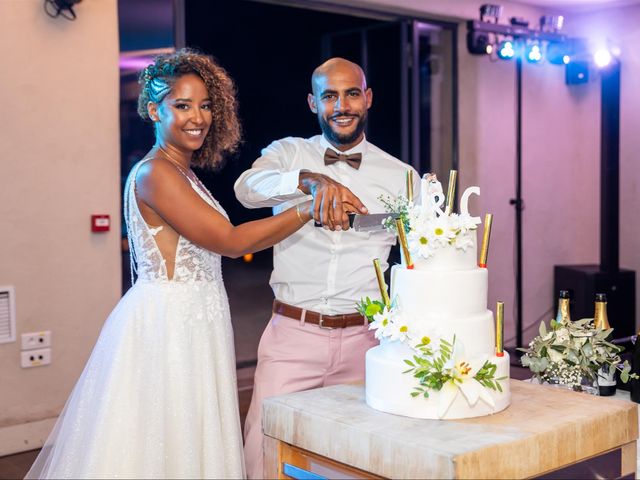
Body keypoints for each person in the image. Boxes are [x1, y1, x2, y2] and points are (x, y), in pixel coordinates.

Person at [26, 49, 351, 479]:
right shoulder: (155, 174)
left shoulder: (183, 172)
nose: (197, 117)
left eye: (205, 105)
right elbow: (232, 242)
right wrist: (309, 208)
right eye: (182, 105)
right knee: (159, 443)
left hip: (195, 322)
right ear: (152, 110)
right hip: (169, 327)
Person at [234, 57, 419, 479]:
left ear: (367, 98)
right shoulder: (287, 153)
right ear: (313, 103)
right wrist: (308, 180)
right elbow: (245, 189)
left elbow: (423, 258)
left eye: (352, 93)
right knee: (265, 450)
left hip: (366, 342)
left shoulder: (402, 176)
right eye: (329, 96)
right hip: (292, 337)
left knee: (354, 456)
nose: (342, 105)